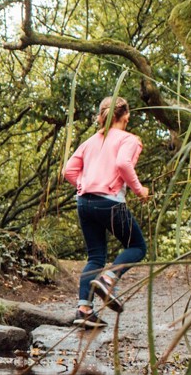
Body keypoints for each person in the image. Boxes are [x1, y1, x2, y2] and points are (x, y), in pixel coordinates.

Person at [62, 96, 149, 328]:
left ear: (103, 117)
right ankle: (109, 278)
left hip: (84, 202)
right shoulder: (130, 139)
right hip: (109, 202)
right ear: (126, 117)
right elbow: (123, 163)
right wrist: (139, 190)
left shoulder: (91, 141)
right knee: (138, 246)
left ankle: (83, 311)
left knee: (96, 256)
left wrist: (83, 184)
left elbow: (68, 170)